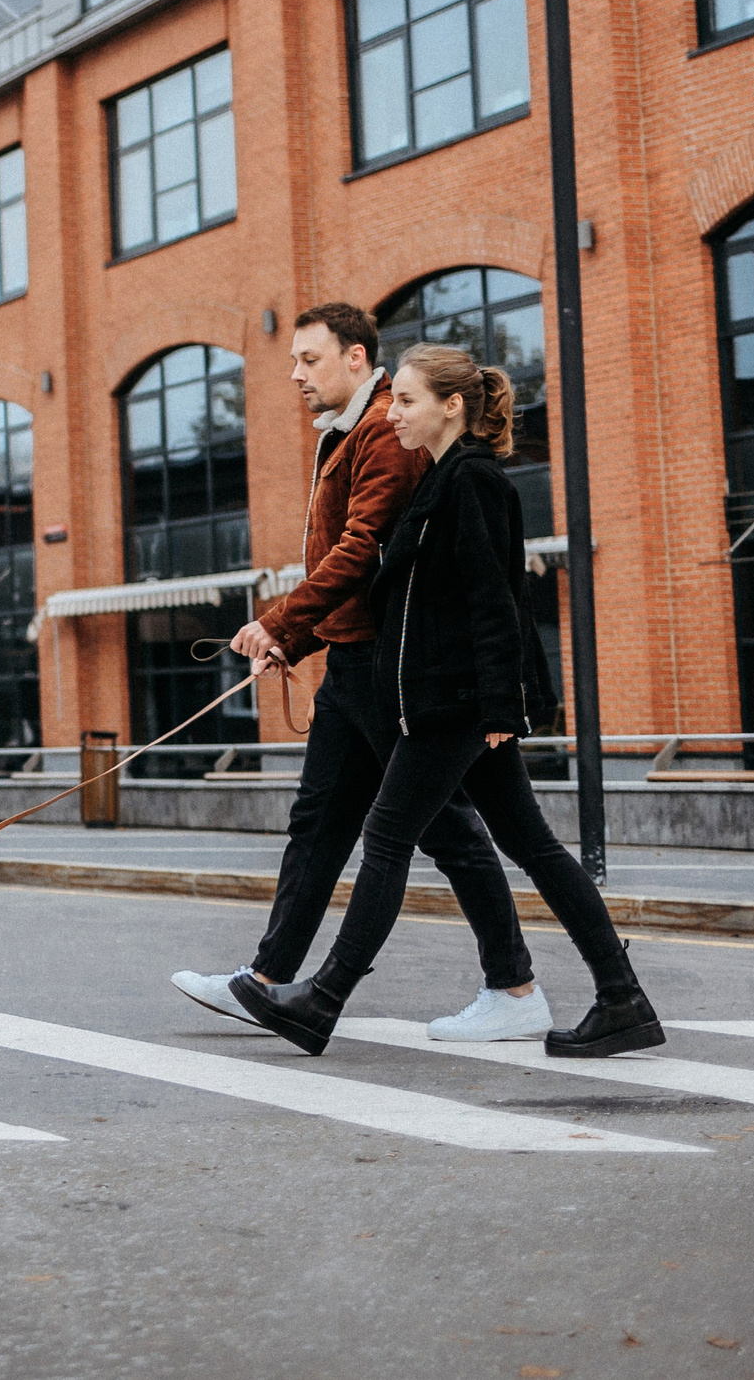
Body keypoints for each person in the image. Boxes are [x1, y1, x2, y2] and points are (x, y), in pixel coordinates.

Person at [227, 344, 663, 1059]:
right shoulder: (439, 480)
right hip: (449, 701)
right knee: (535, 847)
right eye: (392, 398)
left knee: (390, 837)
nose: (391, 412)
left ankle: (322, 1000)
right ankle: (622, 998)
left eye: (405, 400)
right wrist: (295, 641)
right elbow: (399, 599)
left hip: (457, 703)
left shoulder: (474, 482)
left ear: (450, 406)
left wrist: (500, 710)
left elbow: (497, 603)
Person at [172, 304, 544, 1043]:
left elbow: (359, 554)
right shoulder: (347, 433)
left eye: (310, 360)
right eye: (294, 363)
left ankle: (513, 982)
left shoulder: (382, 430)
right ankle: (268, 977)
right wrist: (303, 642)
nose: (297, 376)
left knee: (442, 831)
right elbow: (356, 570)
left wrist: (279, 621)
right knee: (320, 823)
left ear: (355, 357)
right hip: (352, 660)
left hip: (388, 665)